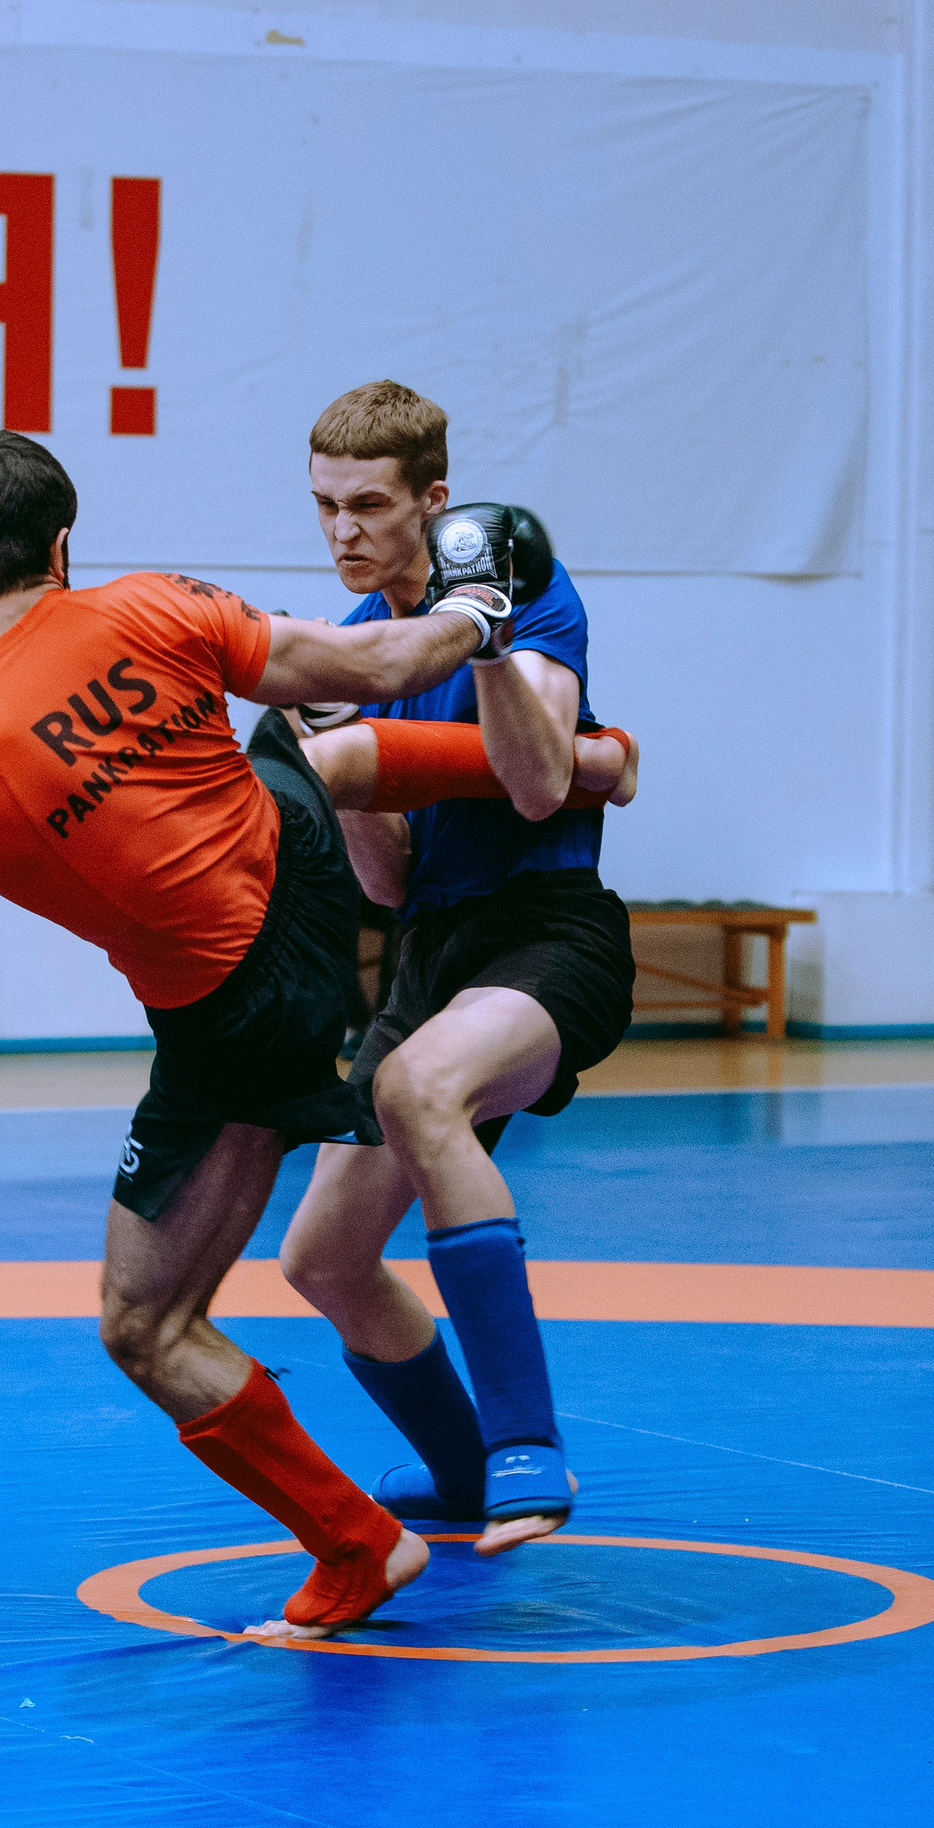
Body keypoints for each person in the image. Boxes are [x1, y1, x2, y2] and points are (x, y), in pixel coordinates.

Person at [0, 430, 525, 1639]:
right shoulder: (150, 603)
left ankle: (356, 1545)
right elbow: (371, 658)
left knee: (146, 1322)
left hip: (235, 1001)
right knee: (298, 740)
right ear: (64, 546)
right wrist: (481, 613)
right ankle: (575, 768)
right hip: (303, 866)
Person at [277, 381, 638, 1556]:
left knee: (418, 1089)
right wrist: (336, 749)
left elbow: (538, 785)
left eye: (370, 505)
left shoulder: (521, 584)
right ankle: (463, 1464)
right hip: (432, 953)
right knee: (322, 1257)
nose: (344, 532)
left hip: (547, 932)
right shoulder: (357, 642)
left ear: (433, 499)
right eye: (326, 505)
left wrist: (482, 631)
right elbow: (386, 884)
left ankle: (529, 1443)